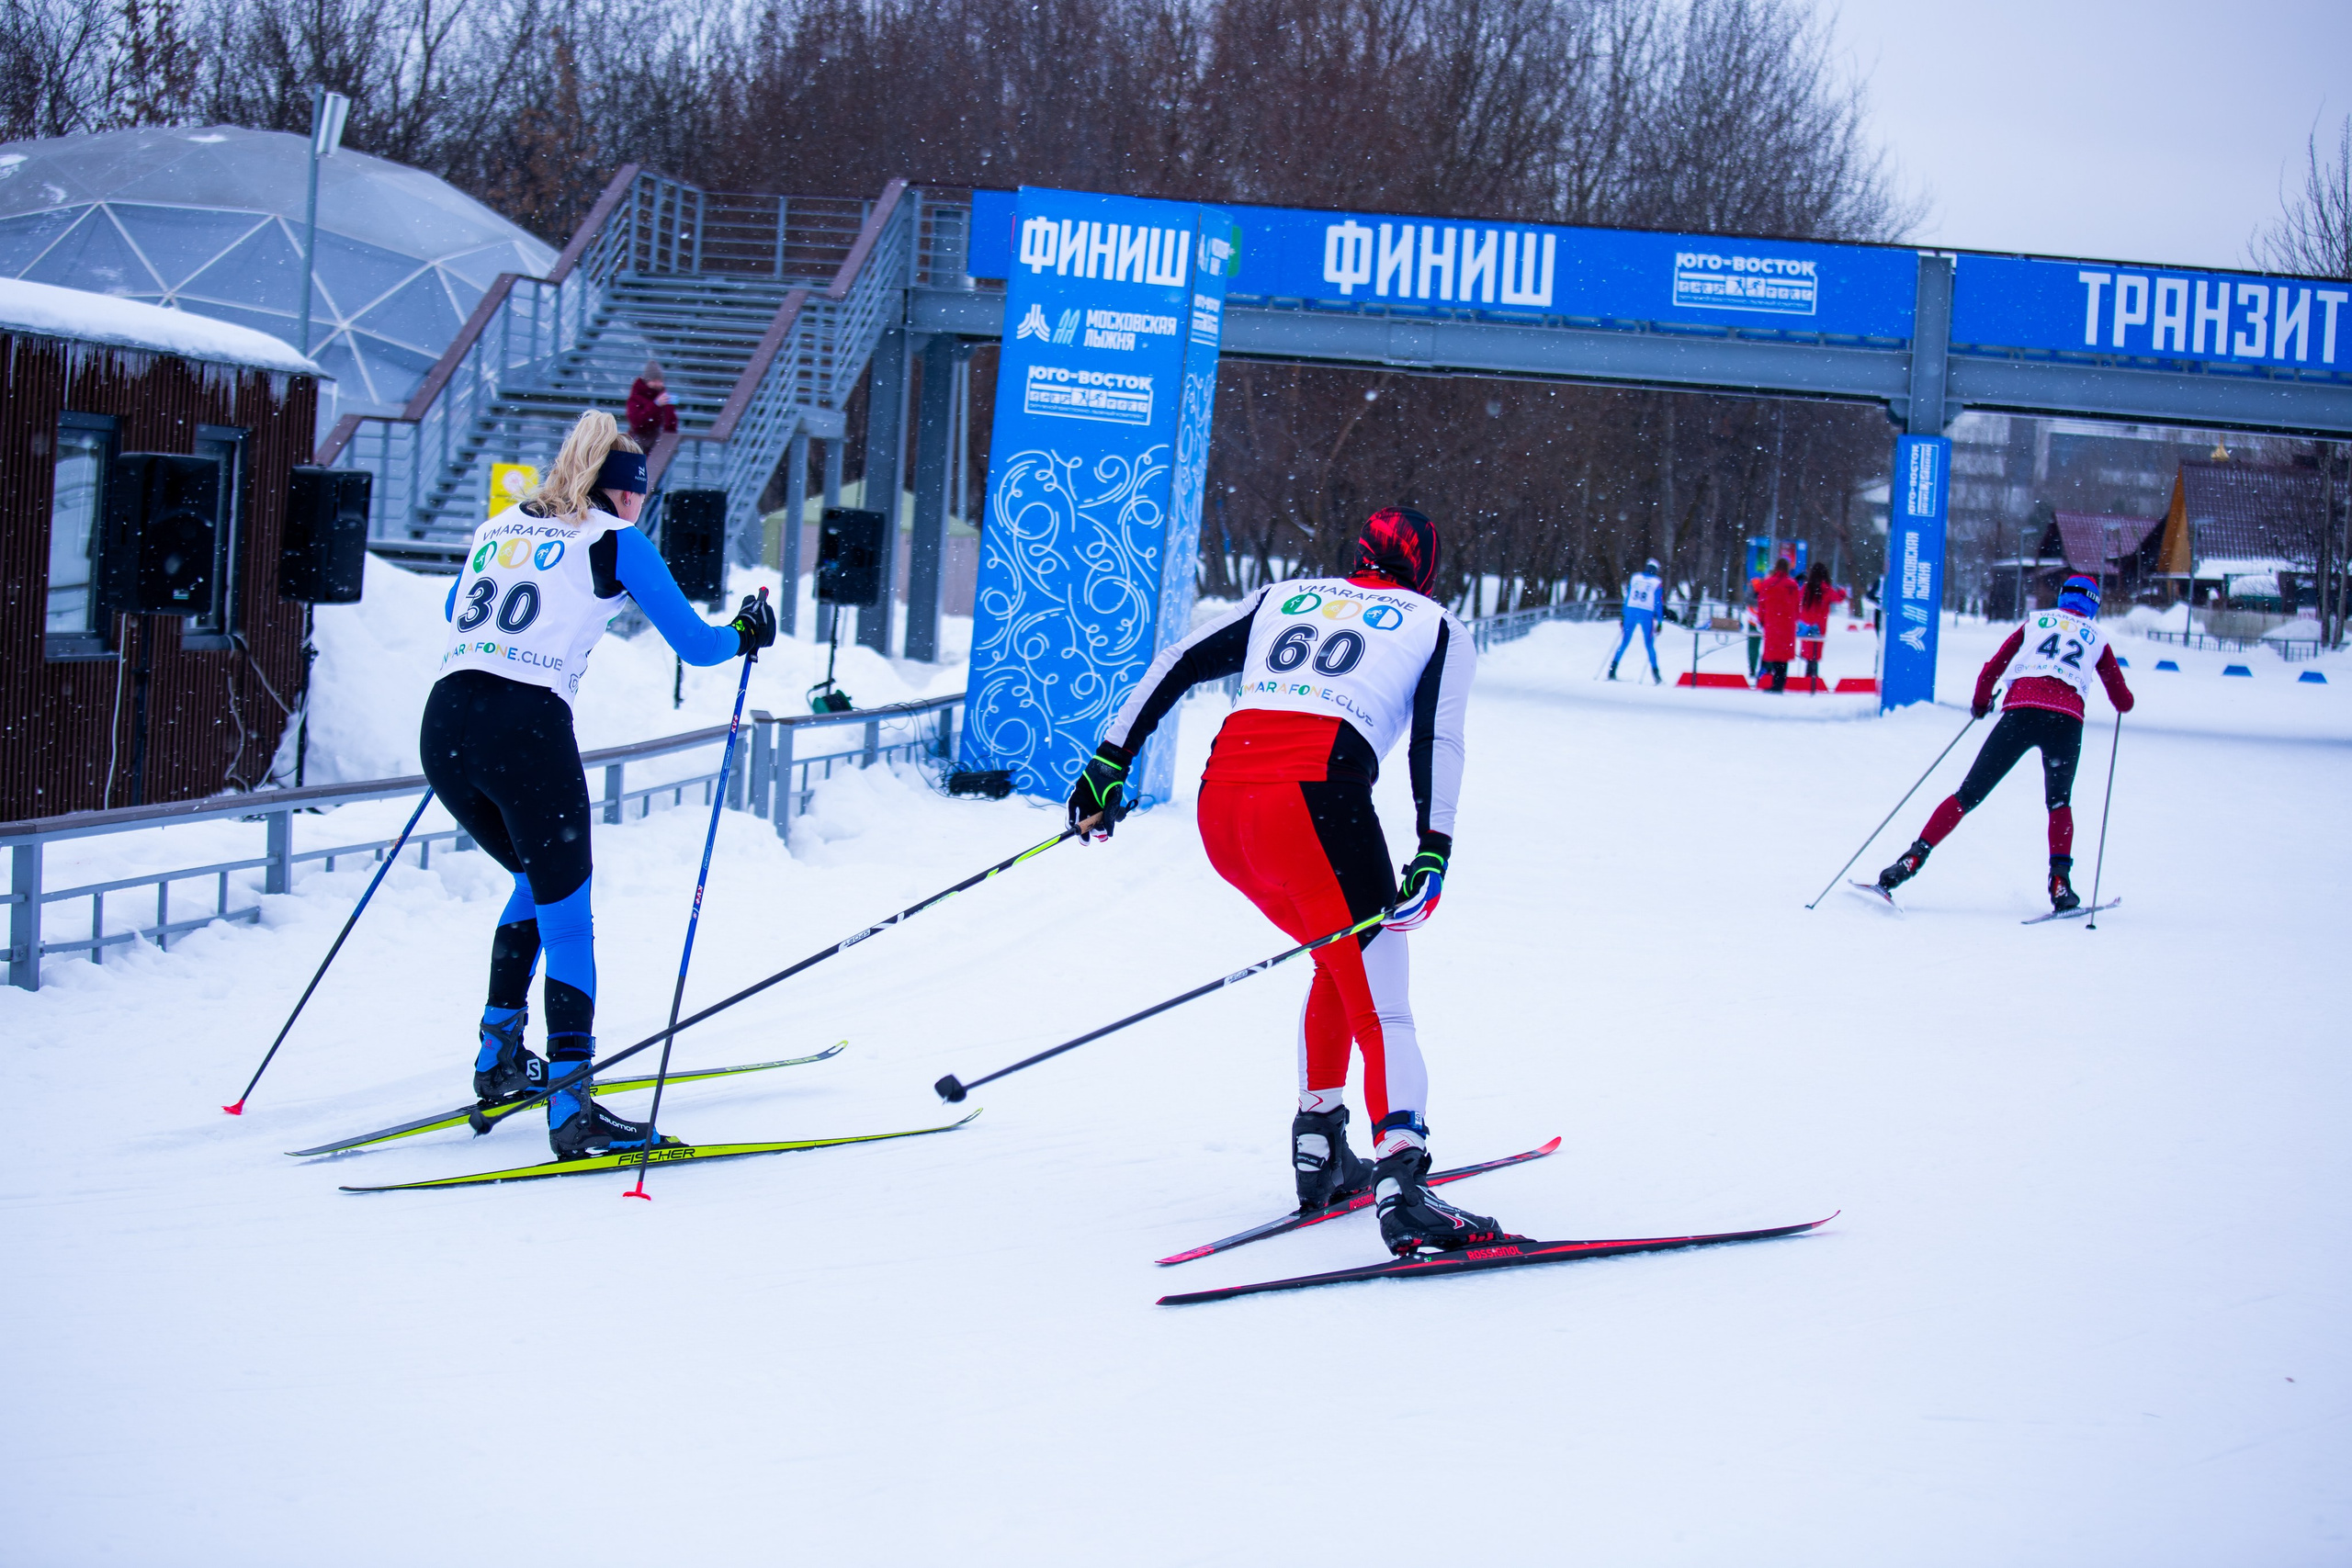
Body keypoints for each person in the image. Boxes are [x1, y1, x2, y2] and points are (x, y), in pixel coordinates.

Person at [1064, 507, 1510, 1258]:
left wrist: (1110, 760)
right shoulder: (1436, 624)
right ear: (1427, 569)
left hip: (1226, 806)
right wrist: (1434, 846)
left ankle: (1321, 1143)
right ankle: (1404, 1181)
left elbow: (1176, 660)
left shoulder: (1287, 595)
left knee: (1340, 960)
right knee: (1385, 999)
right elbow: (1438, 737)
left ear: (1358, 552)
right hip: (1314, 801)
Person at [424, 410, 777, 1157]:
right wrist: (749, 629)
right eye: (640, 496)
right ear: (624, 494)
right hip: (526, 731)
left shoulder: (497, 525)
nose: (640, 507)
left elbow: (457, 612)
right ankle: (571, 1105)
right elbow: (697, 644)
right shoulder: (616, 541)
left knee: (534, 879)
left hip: (447, 721)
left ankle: (498, 1062)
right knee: (568, 911)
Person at [1877, 574, 2132, 912]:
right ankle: (2060, 883)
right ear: (2094, 606)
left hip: (2020, 715)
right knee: (2059, 804)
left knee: (1967, 795)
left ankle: (1912, 858)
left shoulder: (2037, 621)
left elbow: (1993, 668)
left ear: (2062, 597)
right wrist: (2122, 699)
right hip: (2066, 721)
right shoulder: (2098, 639)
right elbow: (2122, 699)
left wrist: (1982, 702)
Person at [1749, 558, 1802, 692]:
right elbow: (1797, 604)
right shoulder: (1792, 585)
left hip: (1772, 623)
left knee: (1774, 653)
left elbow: (1762, 604)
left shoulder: (1768, 584)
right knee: (1784, 654)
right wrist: (1795, 619)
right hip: (1787, 624)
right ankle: (1780, 682)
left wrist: (1761, 620)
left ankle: (1774, 682)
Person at [1609, 558, 1665, 682]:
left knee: (1624, 642)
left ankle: (1612, 669)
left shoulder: (1635, 577)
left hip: (1631, 611)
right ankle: (1656, 674)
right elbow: (1658, 602)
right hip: (1646, 612)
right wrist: (1660, 621)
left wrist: (1623, 615)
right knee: (1649, 644)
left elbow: (1628, 596)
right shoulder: (1657, 582)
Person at [1794, 563, 1848, 687]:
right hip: (1819, 626)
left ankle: (1808, 678)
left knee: (1807, 652)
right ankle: (1812, 679)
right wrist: (1842, 591)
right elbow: (1839, 598)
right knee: (1815, 653)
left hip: (1805, 625)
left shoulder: (1807, 587)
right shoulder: (1827, 589)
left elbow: (1798, 597)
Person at [626, 359, 678, 450]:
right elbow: (638, 424)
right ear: (646, 381)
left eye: (660, 381)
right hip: (639, 446)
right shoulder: (635, 399)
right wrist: (656, 405)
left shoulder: (664, 398)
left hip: (660, 446)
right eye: (654, 381)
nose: (658, 384)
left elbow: (671, 424)